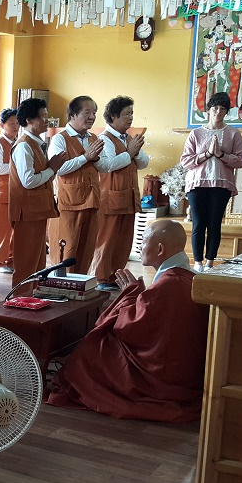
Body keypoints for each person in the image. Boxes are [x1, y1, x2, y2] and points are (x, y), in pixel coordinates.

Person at [47, 220, 209, 422]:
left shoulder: (169, 284)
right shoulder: (189, 277)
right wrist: (137, 296)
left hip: (163, 374)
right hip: (184, 369)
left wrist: (131, 295)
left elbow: (128, 328)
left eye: (143, 241)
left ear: (160, 249)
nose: (140, 246)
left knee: (94, 346)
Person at [180, 92, 242, 271]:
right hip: (197, 184)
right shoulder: (196, 133)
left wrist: (221, 155)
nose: (218, 111)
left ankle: (210, 262)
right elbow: (185, 161)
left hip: (221, 184)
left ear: (227, 112)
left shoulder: (233, 133)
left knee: (214, 223)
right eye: (215, 108)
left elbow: (240, 160)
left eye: (222, 108)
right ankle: (198, 263)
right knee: (198, 223)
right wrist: (207, 154)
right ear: (208, 110)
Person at [89, 96, 149, 291]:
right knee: (107, 238)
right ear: (113, 117)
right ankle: (101, 277)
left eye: (132, 114)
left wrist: (135, 152)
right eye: (126, 114)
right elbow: (108, 165)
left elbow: (144, 163)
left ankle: (116, 276)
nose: (130, 118)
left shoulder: (129, 138)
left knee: (124, 240)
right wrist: (129, 153)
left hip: (128, 197)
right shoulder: (104, 139)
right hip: (111, 197)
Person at [47, 96, 109, 275]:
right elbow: (59, 168)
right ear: (73, 115)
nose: (92, 117)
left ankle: (80, 282)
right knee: (67, 249)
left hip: (92, 200)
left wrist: (95, 158)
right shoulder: (60, 139)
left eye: (94, 113)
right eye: (87, 112)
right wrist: (85, 157)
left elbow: (105, 166)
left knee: (86, 249)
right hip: (69, 203)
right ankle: (62, 283)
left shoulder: (94, 138)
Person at [10, 98, 65, 295]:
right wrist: (52, 169)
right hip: (27, 211)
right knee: (26, 260)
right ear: (29, 120)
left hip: (36, 210)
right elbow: (28, 181)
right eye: (42, 117)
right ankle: (20, 299)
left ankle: (32, 296)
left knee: (38, 259)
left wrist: (51, 169)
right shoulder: (24, 146)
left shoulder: (35, 144)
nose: (47, 121)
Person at [0, 108, 19, 274]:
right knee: (2, 229)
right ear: (1, 125)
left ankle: (11, 260)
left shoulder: (17, 142)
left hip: (15, 193)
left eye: (17, 123)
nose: (15, 127)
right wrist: (19, 166)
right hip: (1, 192)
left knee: (15, 230)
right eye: (11, 123)